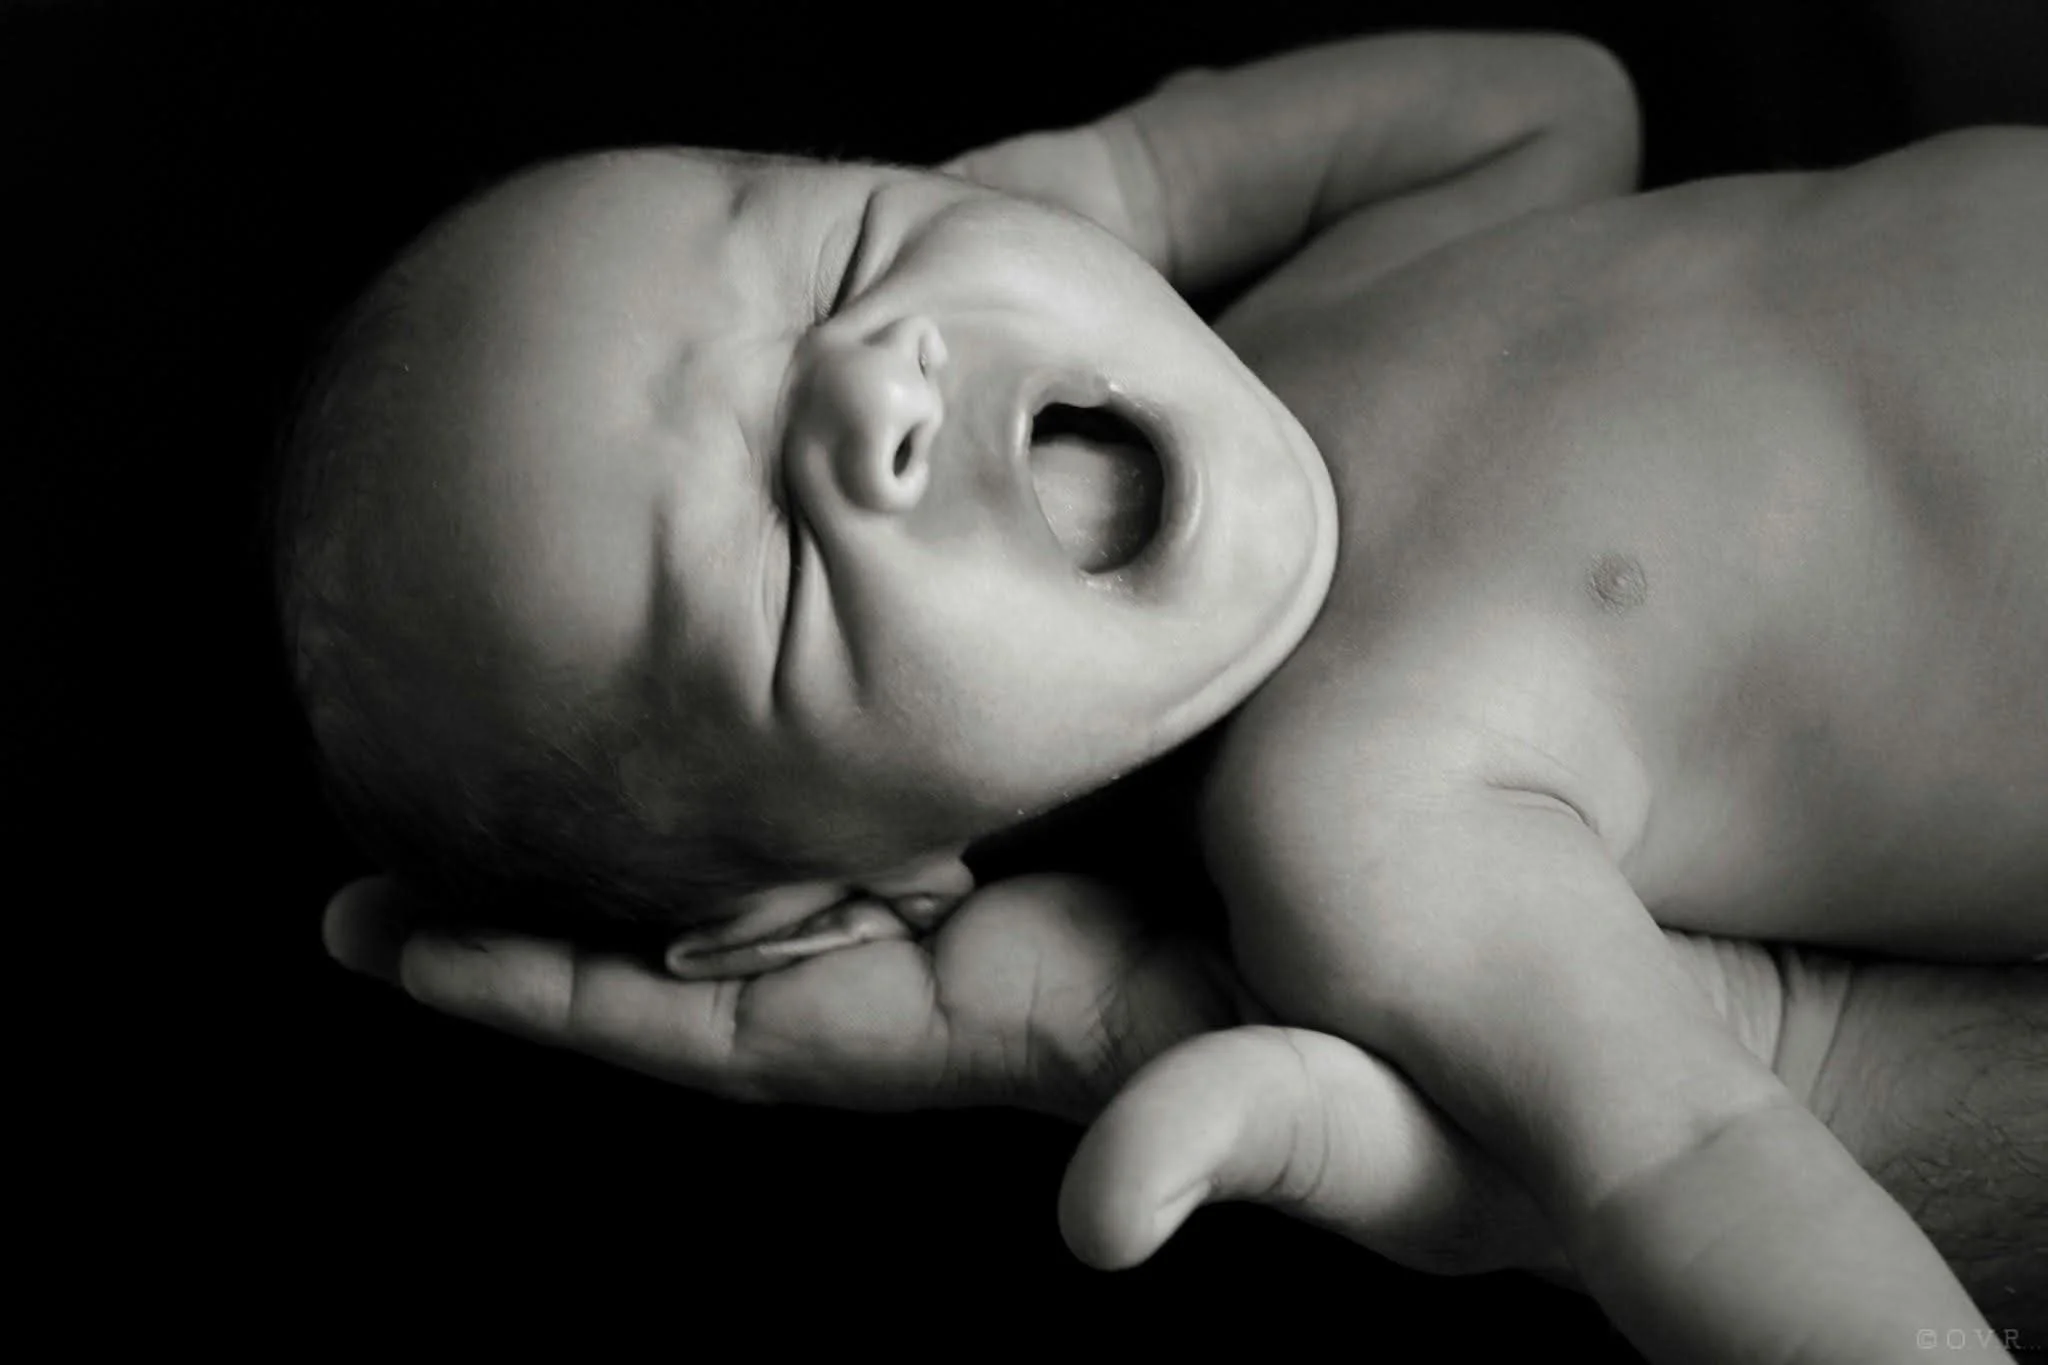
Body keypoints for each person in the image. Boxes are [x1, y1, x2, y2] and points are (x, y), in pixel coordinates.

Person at [277, 31, 2046, 1360]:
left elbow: (1560, 102)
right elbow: (1706, 1161)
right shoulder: (1359, 824)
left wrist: (1139, 177)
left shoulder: (1326, 289)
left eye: (837, 257)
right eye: (773, 573)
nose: (871, 382)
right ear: (834, 910)